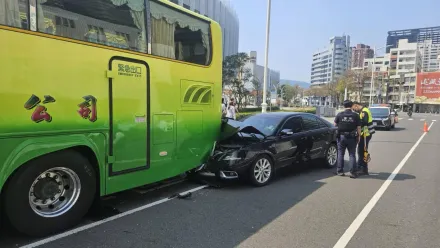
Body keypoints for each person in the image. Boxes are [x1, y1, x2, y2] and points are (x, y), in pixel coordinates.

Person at [334, 100, 361, 178]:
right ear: (352, 106)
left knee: (340, 154)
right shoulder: (355, 115)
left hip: (341, 137)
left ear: (344, 106)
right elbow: (359, 127)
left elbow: (335, 124)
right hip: (352, 137)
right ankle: (353, 172)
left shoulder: (339, 115)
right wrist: (359, 136)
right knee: (352, 154)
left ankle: (340, 171)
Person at [352, 101, 375, 175]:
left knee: (362, 151)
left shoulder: (364, 112)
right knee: (362, 151)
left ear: (356, 105)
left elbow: (363, 123)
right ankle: (363, 168)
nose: (354, 110)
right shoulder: (363, 111)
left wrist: (356, 126)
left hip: (365, 134)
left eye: (354, 108)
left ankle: (363, 169)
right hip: (364, 134)